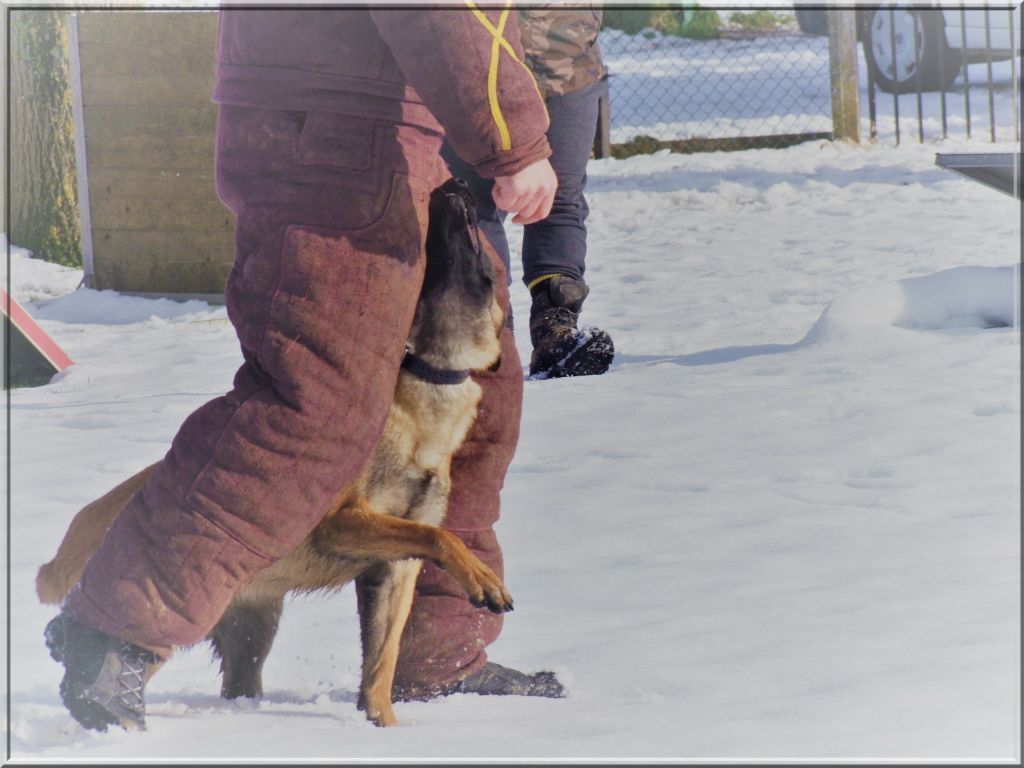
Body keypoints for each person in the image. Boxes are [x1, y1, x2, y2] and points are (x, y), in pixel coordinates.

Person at [44, 7, 566, 732]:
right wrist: (511, 135)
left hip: (391, 127)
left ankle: (433, 651)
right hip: (332, 130)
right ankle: (117, 628)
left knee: (481, 391)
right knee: (311, 404)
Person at [441, 6, 614, 379]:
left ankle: (556, 329)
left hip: (569, 66)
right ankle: (492, 337)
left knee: (560, 200)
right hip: (480, 74)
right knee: (472, 206)